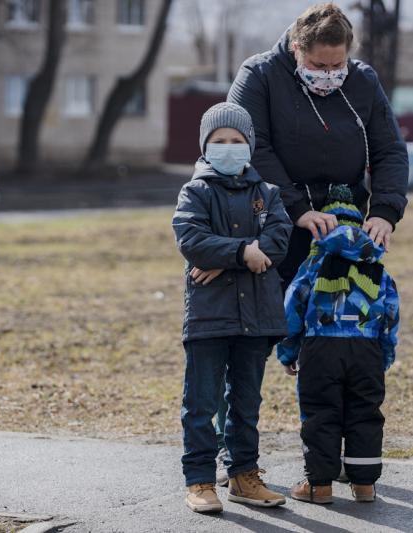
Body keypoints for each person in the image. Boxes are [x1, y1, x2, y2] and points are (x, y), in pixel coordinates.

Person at [227, 2, 409, 290]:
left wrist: (384, 212)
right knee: (282, 318)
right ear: (297, 48)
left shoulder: (364, 81)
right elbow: (252, 148)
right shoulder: (259, 75)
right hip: (276, 226)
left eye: (338, 65)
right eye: (319, 66)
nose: (329, 74)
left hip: (344, 223)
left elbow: (390, 150)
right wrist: (297, 209)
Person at [172, 102, 292, 513]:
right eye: (219, 141)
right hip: (209, 318)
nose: (228, 147)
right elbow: (191, 239)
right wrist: (244, 253)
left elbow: (277, 243)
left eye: (236, 141)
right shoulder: (195, 191)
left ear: (250, 146)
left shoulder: (269, 194)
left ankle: (244, 476)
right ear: (205, 147)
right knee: (201, 403)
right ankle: (200, 480)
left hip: (256, 319)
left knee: (246, 404)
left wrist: (223, 259)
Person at [277, 184, 400, 504]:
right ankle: (364, 486)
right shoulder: (377, 267)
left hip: (321, 347)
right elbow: (391, 314)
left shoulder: (313, 266)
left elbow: (293, 308)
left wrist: (288, 351)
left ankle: (319, 486)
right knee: (365, 412)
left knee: (320, 413)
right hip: (366, 348)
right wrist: (384, 354)